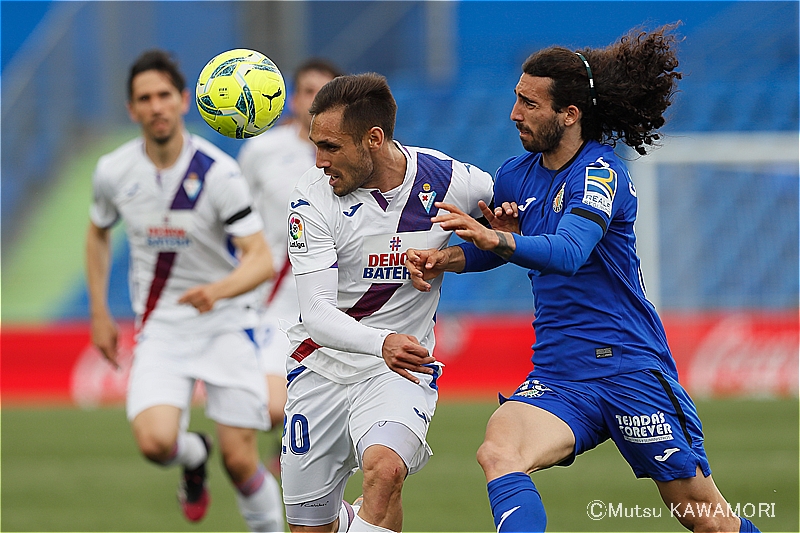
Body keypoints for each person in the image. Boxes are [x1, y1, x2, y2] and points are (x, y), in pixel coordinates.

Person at [406, 25, 760, 533]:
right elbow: (507, 252)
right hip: (559, 374)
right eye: (516, 99)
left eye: (529, 103)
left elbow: (569, 251)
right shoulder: (515, 175)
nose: (514, 114)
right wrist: (449, 260)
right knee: (498, 451)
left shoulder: (602, 173)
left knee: (708, 521)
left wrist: (497, 240)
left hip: (628, 369)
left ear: (569, 114)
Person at [280, 73, 494, 533]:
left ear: (373, 139)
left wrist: (451, 257)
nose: (319, 161)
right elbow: (316, 314)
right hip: (320, 367)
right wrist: (383, 342)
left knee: (386, 471)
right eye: (315, 145)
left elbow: (507, 234)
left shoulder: (451, 179)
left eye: (331, 147)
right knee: (309, 528)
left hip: (397, 368)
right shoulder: (311, 199)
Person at [85, 49, 284, 532]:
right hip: (163, 329)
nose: (155, 106)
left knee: (241, 464)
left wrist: (218, 291)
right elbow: (97, 231)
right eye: (144, 98)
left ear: (184, 102)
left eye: (163, 96)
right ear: (132, 109)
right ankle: (195, 456)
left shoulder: (219, 173)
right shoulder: (113, 171)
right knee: (155, 444)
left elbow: (261, 259)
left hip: (227, 324)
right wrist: (98, 313)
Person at [238, 58, 344, 434]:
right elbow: (236, 220)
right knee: (270, 409)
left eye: (325, 93)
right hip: (273, 303)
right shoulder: (261, 151)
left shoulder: (353, 160)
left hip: (335, 306)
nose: (315, 101)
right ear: (294, 98)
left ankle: (288, 464)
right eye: (308, 91)